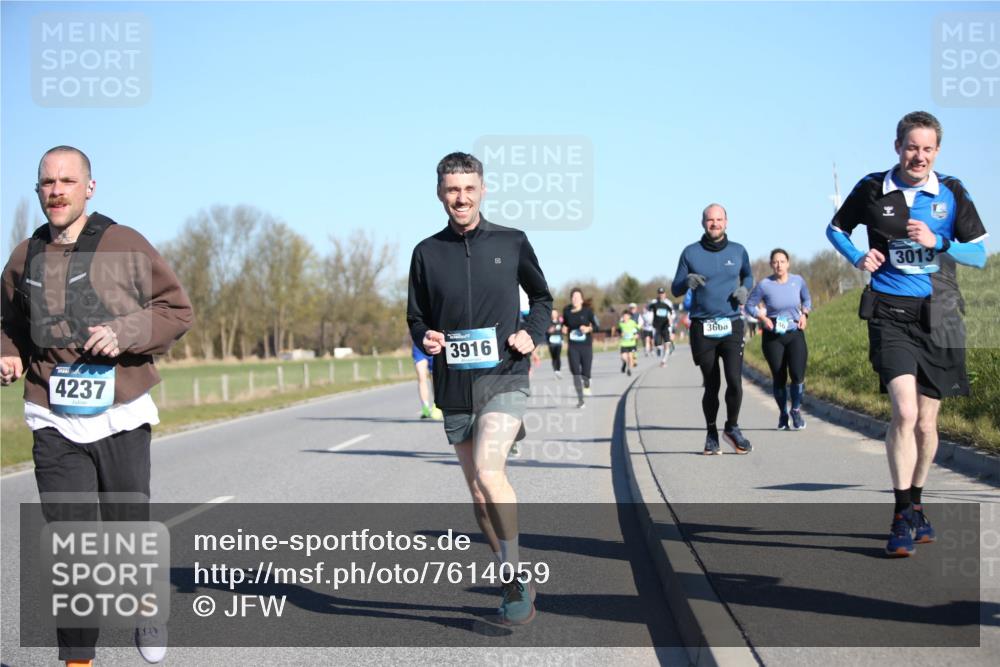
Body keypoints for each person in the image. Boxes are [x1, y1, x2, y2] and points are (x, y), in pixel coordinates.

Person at [0, 146, 194, 666]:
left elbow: (177, 309)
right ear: (38, 191)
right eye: (46, 183)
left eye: (67, 181)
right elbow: (9, 325)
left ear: (89, 187)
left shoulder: (124, 243)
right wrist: (9, 355)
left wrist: (125, 331)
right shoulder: (23, 257)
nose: (56, 191)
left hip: (120, 412)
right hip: (52, 414)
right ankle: (77, 660)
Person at [826, 111, 988, 557]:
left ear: (937, 152)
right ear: (897, 146)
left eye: (927, 149)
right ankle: (900, 514)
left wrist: (940, 243)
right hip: (890, 311)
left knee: (928, 421)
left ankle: (917, 503)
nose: (919, 156)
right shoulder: (873, 187)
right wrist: (858, 257)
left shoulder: (951, 191)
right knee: (905, 413)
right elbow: (836, 228)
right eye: (912, 147)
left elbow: (979, 255)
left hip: (940, 314)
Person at [407, 152, 552, 623]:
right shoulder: (426, 253)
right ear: (440, 193)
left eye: (469, 188)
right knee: (477, 493)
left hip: (505, 374)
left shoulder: (511, 242)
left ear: (483, 189)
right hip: (454, 385)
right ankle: (513, 574)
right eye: (453, 189)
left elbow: (543, 298)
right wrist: (424, 336)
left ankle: (512, 580)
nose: (461, 197)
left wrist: (533, 331)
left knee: (490, 472)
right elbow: (417, 317)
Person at [671, 203, 754, 455]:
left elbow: (748, 276)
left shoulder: (739, 251)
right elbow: (675, 288)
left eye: (719, 219)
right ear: (702, 223)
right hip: (702, 327)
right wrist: (687, 281)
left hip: (731, 324)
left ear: (726, 222)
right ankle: (711, 434)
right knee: (711, 385)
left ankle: (732, 427)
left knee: (735, 381)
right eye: (710, 220)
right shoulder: (690, 253)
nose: (714, 224)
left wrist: (745, 289)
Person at [745, 248, 812, 431]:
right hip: (773, 334)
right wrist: (763, 318)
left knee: (798, 375)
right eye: (775, 262)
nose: (779, 265)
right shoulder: (764, 285)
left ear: (788, 263)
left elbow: (807, 300)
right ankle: (783, 414)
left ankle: (796, 411)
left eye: (782, 261)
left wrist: (805, 315)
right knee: (779, 376)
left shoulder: (798, 281)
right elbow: (749, 306)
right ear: (771, 264)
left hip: (794, 332)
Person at [562, 288, 600, 408]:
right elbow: (565, 325)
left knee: (586, 372)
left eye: (577, 297)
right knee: (576, 373)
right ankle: (580, 400)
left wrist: (588, 329)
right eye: (573, 297)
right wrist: (564, 329)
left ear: (582, 299)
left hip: (586, 346)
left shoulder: (587, 311)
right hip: (573, 346)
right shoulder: (567, 311)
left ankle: (587, 382)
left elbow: (597, 326)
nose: (575, 299)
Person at [412, 342, 442, 420]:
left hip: (434, 347)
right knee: (421, 377)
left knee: (434, 379)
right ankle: (425, 407)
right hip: (419, 347)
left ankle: (436, 405)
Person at [647, 287, 675, 366]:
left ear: (665, 294)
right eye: (660, 293)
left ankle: (664, 360)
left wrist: (671, 320)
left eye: (662, 293)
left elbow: (672, 313)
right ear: (658, 294)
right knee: (658, 344)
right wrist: (650, 321)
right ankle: (659, 350)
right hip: (656, 326)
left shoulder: (668, 303)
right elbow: (649, 312)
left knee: (667, 343)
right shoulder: (654, 302)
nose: (661, 295)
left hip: (666, 326)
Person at [616, 309, 640, 376]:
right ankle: (624, 363)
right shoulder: (621, 324)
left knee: (630, 357)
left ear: (629, 316)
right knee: (623, 357)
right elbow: (618, 331)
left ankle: (629, 369)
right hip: (623, 343)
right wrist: (620, 334)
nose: (625, 318)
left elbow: (637, 329)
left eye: (626, 316)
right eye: (624, 316)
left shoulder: (632, 322)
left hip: (631, 343)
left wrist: (636, 335)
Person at [545, 309, 564, 378]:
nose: (554, 315)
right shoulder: (548, 323)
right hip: (551, 342)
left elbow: (563, 331)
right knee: (553, 357)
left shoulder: (560, 322)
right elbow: (545, 331)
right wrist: (549, 331)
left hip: (559, 342)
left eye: (555, 313)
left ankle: (558, 370)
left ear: (557, 314)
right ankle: (555, 370)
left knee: (558, 356)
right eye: (552, 313)